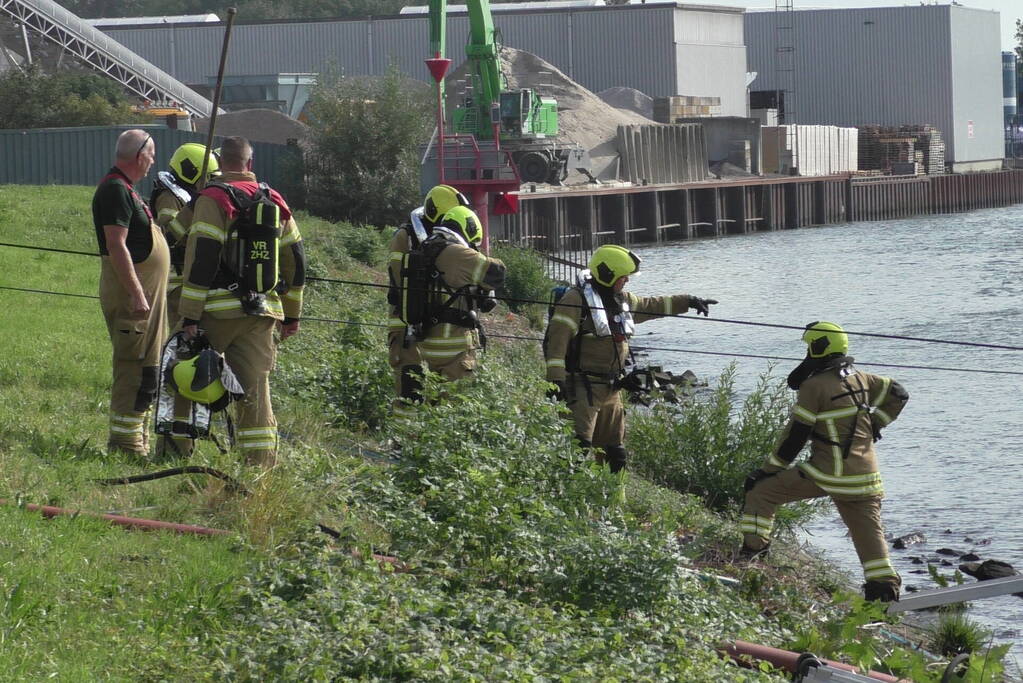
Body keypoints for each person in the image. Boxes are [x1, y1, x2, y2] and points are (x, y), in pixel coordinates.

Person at [740, 321, 909, 602]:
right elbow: (900, 394)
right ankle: (884, 594)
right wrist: (876, 423)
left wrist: (767, 471)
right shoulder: (863, 379)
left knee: (762, 493)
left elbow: (795, 437)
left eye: (809, 347)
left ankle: (751, 559)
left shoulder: (814, 386)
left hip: (828, 474)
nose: (807, 352)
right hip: (866, 478)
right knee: (871, 544)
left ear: (819, 347)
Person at [177, 136, 305, 466]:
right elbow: (296, 261)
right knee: (255, 394)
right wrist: (292, 315)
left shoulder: (213, 198)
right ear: (250, 164)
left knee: (186, 377)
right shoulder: (273, 199)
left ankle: (176, 452)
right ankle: (259, 465)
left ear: (221, 163)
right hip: (262, 312)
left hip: (215, 313)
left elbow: (203, 258)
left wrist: (190, 316)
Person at [543, 244, 718, 473]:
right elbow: (556, 343)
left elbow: (652, 305)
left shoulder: (622, 300)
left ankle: (611, 495)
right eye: (623, 276)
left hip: (612, 388)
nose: (627, 280)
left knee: (615, 455)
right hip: (582, 388)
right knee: (575, 451)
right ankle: (562, 490)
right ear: (608, 275)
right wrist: (556, 381)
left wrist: (689, 301)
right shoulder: (575, 301)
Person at [91, 128, 170, 457]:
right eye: (151, 156)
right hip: (132, 300)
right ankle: (124, 446)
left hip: (147, 300)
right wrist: (137, 293)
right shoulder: (115, 190)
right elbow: (116, 244)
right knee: (132, 368)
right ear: (139, 156)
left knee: (147, 370)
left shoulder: (127, 190)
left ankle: (138, 442)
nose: (153, 162)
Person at [393, 205, 506, 414]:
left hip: (424, 344)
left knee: (423, 403)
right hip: (453, 349)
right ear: (469, 230)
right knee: (453, 410)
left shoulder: (425, 247)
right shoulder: (458, 253)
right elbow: (497, 273)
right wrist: (479, 253)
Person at [387, 185, 471, 417]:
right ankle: (403, 437)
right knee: (410, 390)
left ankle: (435, 436)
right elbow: (398, 281)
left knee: (448, 397)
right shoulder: (405, 237)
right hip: (406, 326)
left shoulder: (454, 240)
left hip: (443, 329)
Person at [149, 142, 219, 325]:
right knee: (180, 334)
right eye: (207, 177)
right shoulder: (168, 198)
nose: (209, 182)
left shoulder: (186, 196)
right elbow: (168, 235)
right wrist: (194, 208)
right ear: (191, 172)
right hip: (176, 281)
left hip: (189, 279)